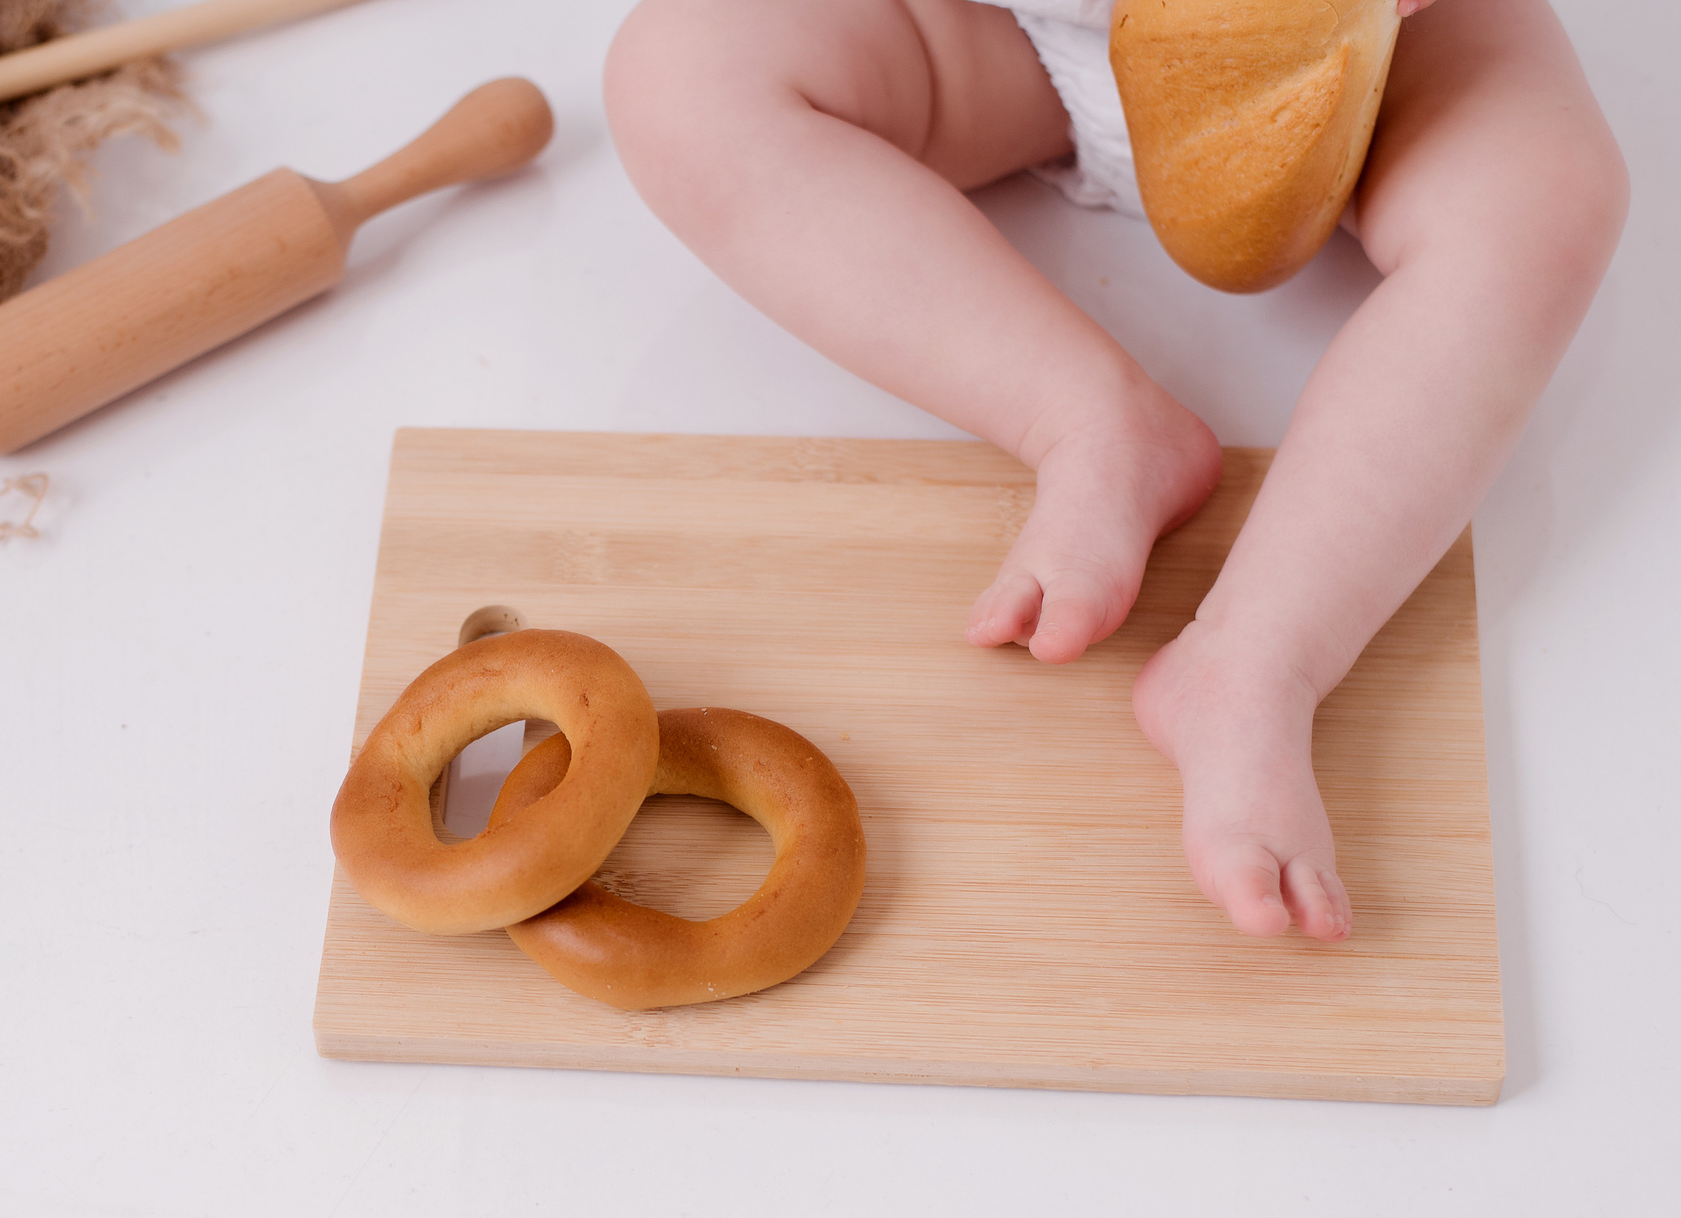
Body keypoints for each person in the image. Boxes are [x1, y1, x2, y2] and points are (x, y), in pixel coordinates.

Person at [603, 0, 1626, 940]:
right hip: (1013, 35)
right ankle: (1087, 417)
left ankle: (1255, 661)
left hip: (1374, 58)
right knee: (680, 76)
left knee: (1544, 196)